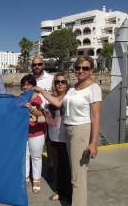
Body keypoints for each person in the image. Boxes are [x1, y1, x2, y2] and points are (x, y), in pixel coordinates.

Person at [34, 56, 102, 206]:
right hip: (69, 131)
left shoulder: (94, 88)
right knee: (73, 173)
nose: (80, 71)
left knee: (78, 176)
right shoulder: (74, 88)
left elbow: (96, 117)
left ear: (91, 70)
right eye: (78, 67)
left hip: (80, 131)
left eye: (85, 68)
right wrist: (40, 91)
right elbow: (58, 102)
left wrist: (94, 142)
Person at [31, 72, 72, 205]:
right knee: (58, 167)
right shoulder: (51, 98)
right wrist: (35, 117)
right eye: (57, 82)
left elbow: (59, 104)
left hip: (66, 139)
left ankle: (70, 195)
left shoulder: (68, 97)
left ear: (67, 84)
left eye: (63, 82)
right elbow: (47, 118)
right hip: (54, 138)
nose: (60, 84)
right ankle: (60, 191)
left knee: (68, 168)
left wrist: (41, 91)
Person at [20, 74, 46, 194]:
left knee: (36, 156)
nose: (25, 87)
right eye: (24, 84)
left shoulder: (40, 98)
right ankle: (25, 177)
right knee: (25, 155)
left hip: (37, 132)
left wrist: (31, 109)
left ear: (34, 85)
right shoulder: (21, 97)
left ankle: (36, 179)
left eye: (28, 84)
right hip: (24, 131)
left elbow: (42, 115)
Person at [31, 56, 55, 181]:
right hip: (34, 115)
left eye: (39, 64)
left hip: (49, 115)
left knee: (50, 143)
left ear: (43, 65)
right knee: (35, 144)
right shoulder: (29, 80)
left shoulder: (51, 79)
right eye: (34, 65)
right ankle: (32, 170)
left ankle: (51, 166)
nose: (37, 67)